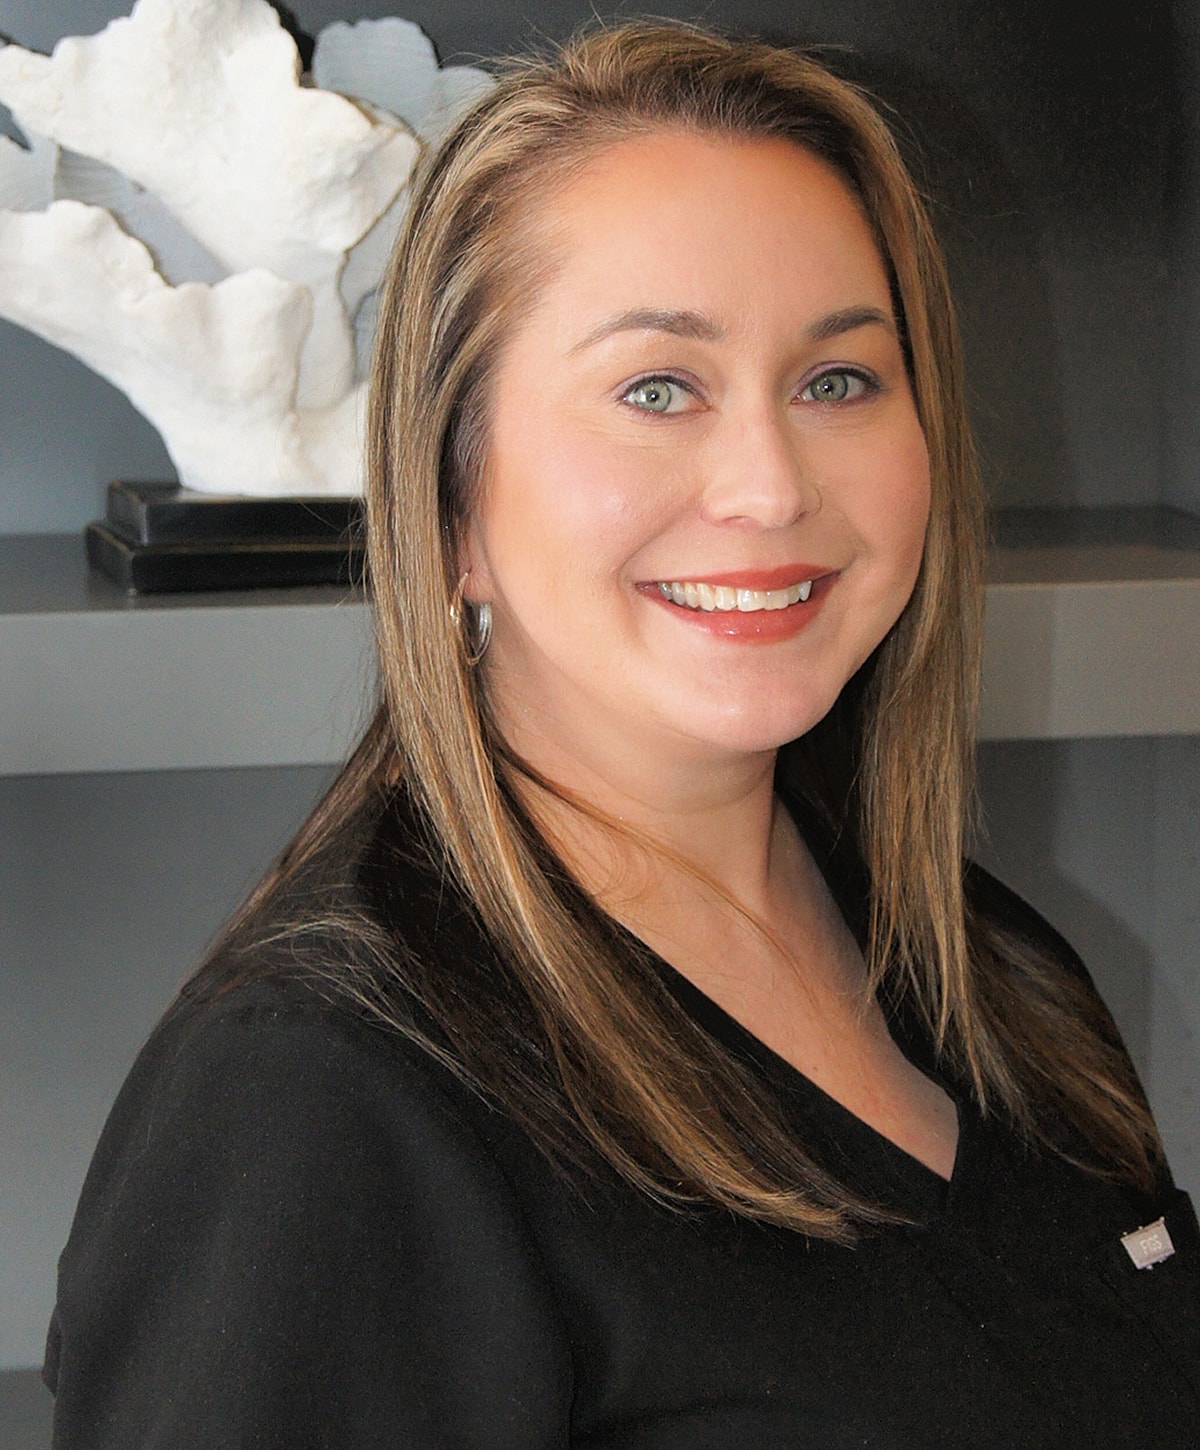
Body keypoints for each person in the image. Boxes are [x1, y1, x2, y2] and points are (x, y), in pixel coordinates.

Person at [45, 22, 1199, 1448]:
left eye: (838, 380)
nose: (771, 486)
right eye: (659, 388)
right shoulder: (316, 1103)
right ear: (455, 508)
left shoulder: (995, 976)